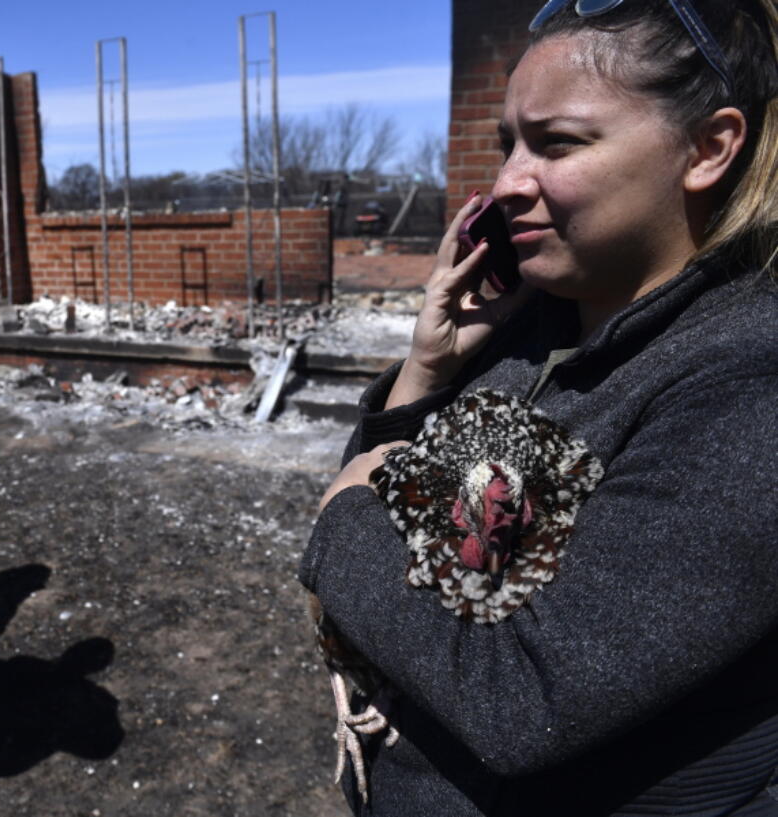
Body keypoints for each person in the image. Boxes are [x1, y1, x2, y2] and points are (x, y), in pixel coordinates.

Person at [302, 0, 778, 814]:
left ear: (708, 149)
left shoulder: (745, 380)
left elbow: (525, 693)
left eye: (557, 143)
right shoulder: (530, 318)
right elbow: (417, 508)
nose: (507, 183)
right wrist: (426, 369)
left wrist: (343, 524)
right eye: (508, 145)